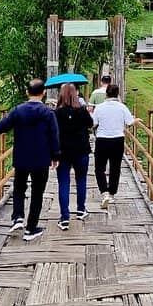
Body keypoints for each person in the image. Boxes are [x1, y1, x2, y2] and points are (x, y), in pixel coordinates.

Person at [0, 79, 59, 241]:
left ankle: (17, 218)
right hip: (41, 158)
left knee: (19, 188)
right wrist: (55, 156)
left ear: (27, 92)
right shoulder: (48, 113)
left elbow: (3, 125)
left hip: (21, 157)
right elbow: (54, 135)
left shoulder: (18, 110)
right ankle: (31, 228)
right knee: (37, 193)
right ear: (44, 93)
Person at [54, 83, 93, 230]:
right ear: (76, 94)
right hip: (81, 151)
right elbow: (91, 124)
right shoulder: (82, 111)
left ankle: (64, 217)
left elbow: (52, 132)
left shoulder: (56, 113)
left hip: (62, 152)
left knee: (63, 183)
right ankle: (81, 209)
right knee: (81, 180)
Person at [92, 83, 137, 208]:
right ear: (117, 94)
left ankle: (104, 192)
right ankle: (112, 193)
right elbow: (129, 122)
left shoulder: (99, 107)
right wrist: (136, 120)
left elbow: (94, 123)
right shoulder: (121, 107)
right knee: (115, 168)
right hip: (117, 140)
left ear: (106, 93)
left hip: (102, 140)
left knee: (99, 168)